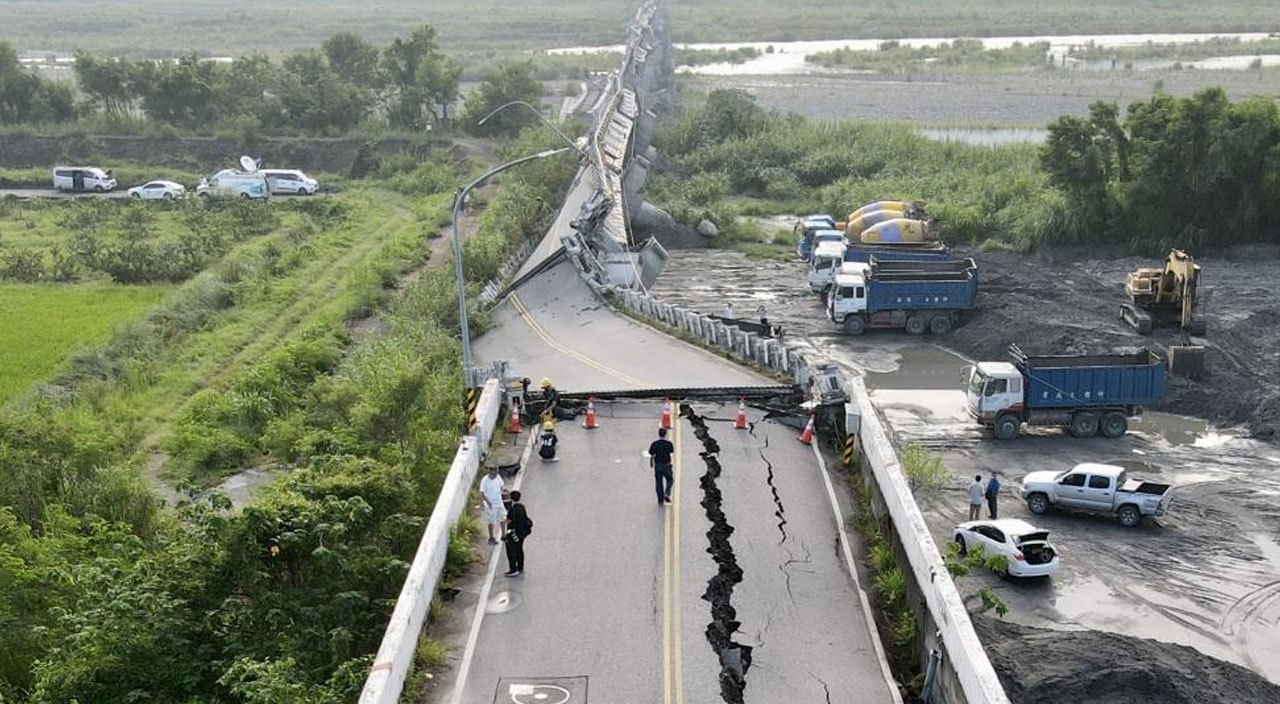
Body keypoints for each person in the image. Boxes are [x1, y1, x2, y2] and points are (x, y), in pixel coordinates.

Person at [504, 490, 533, 577]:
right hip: (522, 533)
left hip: (513, 533)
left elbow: (509, 521)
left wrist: (503, 521)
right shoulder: (522, 507)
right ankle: (520, 567)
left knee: (511, 550)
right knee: (519, 549)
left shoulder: (512, 509)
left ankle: (513, 569)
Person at [480, 466, 506, 545]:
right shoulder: (485, 481)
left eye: (496, 472)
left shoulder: (498, 477)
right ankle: (491, 537)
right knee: (491, 521)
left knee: (503, 518)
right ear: (490, 472)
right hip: (491, 505)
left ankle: (504, 535)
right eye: (494, 473)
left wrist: (503, 490)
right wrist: (488, 503)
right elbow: (482, 493)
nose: (495, 475)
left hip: (499, 502)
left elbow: (501, 485)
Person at [649, 427, 675, 505]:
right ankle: (667, 493)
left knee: (659, 483)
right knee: (670, 479)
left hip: (658, 466)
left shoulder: (655, 444)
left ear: (659, 434)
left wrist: (651, 462)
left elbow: (651, 453)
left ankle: (660, 499)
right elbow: (671, 450)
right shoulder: (668, 444)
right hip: (666, 465)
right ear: (665, 434)